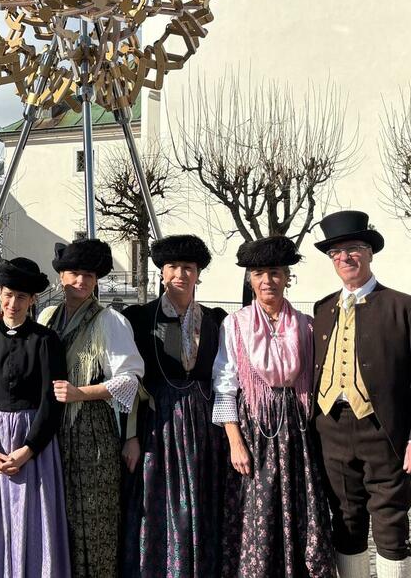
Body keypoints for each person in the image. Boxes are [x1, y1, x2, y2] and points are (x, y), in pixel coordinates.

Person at [310, 210, 411, 578]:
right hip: (331, 428)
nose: (345, 258)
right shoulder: (322, 309)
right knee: (346, 519)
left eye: (353, 249)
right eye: (336, 253)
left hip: (383, 429)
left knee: (390, 521)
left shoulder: (405, 307)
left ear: (369, 252)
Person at [212, 235, 334, 577]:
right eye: (259, 273)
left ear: (287, 277)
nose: (268, 281)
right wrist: (235, 442)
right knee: (257, 509)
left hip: (296, 431)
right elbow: (224, 387)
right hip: (254, 430)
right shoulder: (234, 325)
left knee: (301, 506)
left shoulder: (307, 325)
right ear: (250, 279)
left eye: (275, 273)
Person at [120, 235, 229, 577]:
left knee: (201, 499)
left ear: (198, 274)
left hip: (203, 423)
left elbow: (224, 375)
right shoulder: (140, 318)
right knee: (157, 502)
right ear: (162, 273)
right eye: (173, 267)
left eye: (188, 268)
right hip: (157, 421)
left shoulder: (215, 319)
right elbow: (130, 382)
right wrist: (131, 436)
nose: (180, 274)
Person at [39, 238, 145, 578]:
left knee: (92, 515)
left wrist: (80, 393)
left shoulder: (110, 320)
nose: (80, 281)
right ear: (61, 278)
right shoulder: (46, 316)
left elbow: (130, 379)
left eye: (88, 275)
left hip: (92, 431)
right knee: (55, 516)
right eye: (73, 273)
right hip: (51, 429)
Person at [0, 257, 69, 578]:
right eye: (7, 294)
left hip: (32, 444)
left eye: (21, 297)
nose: (12, 303)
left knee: (33, 520)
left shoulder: (46, 341)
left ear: (32, 300)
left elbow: (53, 401)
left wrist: (29, 448)